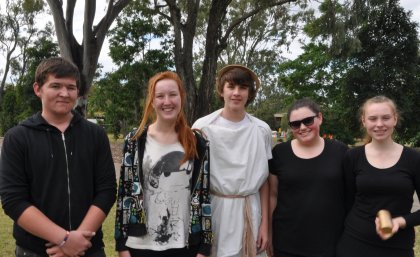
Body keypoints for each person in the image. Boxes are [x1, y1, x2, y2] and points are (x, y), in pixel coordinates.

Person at [0, 57, 117, 257]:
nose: (64, 93)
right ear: (38, 89)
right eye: (55, 86)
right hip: (36, 251)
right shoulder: (18, 137)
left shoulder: (95, 134)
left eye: (71, 87)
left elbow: (106, 190)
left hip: (88, 249)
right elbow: (14, 200)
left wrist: (77, 240)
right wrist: (63, 239)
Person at [114, 71, 212, 257]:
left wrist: (204, 247)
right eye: (160, 96)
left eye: (173, 94)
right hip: (140, 245)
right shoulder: (135, 140)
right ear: (152, 101)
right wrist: (122, 245)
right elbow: (124, 194)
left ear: (181, 97)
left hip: (184, 245)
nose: (167, 101)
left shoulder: (197, 142)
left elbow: (204, 197)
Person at [192, 64, 272, 257]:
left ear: (249, 93)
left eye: (243, 88)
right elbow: (193, 181)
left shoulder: (261, 130)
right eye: (231, 86)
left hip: (250, 210)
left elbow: (264, 182)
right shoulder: (202, 127)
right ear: (222, 90)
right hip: (215, 210)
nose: (236, 93)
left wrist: (264, 225)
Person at [336, 95, 420, 257]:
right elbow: (347, 202)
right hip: (354, 243)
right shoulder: (352, 157)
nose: (379, 124)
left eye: (386, 118)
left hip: (397, 247)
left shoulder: (413, 159)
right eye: (373, 119)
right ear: (364, 121)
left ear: (395, 119)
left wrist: (400, 222)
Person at [268, 98, 348, 257]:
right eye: (295, 124)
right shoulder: (280, 153)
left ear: (320, 118)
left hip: (331, 241)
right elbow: (272, 195)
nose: (303, 127)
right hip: (287, 241)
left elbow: (351, 194)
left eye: (308, 121)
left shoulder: (341, 152)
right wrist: (269, 233)